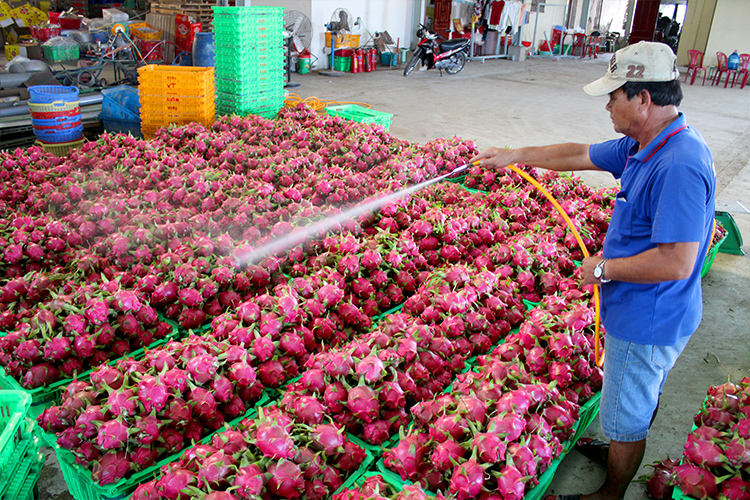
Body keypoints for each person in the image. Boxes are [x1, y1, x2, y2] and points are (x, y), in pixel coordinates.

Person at [472, 41, 716, 500]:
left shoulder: (678, 164)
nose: (607, 106)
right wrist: (514, 154)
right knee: (638, 396)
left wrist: (604, 268)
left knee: (627, 409)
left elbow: (678, 261)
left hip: (649, 317)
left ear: (643, 99)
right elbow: (578, 154)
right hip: (648, 308)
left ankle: (611, 491)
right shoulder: (646, 144)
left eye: (613, 96)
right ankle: (622, 444)